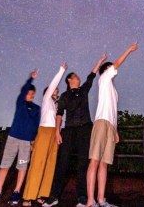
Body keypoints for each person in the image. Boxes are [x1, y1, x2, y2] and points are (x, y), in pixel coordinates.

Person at [43, 53, 108, 207]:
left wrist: (99, 61)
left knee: (82, 164)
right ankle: (54, 196)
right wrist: (58, 131)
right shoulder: (64, 96)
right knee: (62, 163)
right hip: (69, 130)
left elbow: (91, 76)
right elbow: (59, 114)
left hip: (85, 130)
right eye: (76, 76)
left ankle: (82, 197)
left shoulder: (84, 90)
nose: (78, 78)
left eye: (79, 77)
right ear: (69, 80)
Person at [86, 43, 138, 207]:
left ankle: (101, 200)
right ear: (107, 70)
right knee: (94, 161)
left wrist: (115, 130)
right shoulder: (103, 78)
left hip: (110, 125)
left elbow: (113, 111)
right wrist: (128, 50)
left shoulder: (112, 89)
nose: (114, 70)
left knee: (104, 164)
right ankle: (90, 201)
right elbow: (116, 63)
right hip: (101, 123)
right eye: (111, 68)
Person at [0, 70, 41, 205]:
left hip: (26, 142)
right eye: (28, 92)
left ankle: (16, 192)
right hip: (13, 138)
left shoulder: (37, 108)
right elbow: (23, 90)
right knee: (5, 165)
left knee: (22, 167)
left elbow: (36, 124)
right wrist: (30, 79)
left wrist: (33, 139)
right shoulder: (20, 103)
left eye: (33, 93)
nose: (30, 95)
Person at [22, 62, 68, 206]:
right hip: (44, 132)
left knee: (50, 165)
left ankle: (41, 194)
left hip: (55, 134)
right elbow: (53, 84)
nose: (56, 91)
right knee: (37, 163)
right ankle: (28, 196)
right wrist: (61, 71)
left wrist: (59, 132)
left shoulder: (57, 106)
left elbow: (62, 122)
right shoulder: (47, 99)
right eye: (55, 90)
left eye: (57, 90)